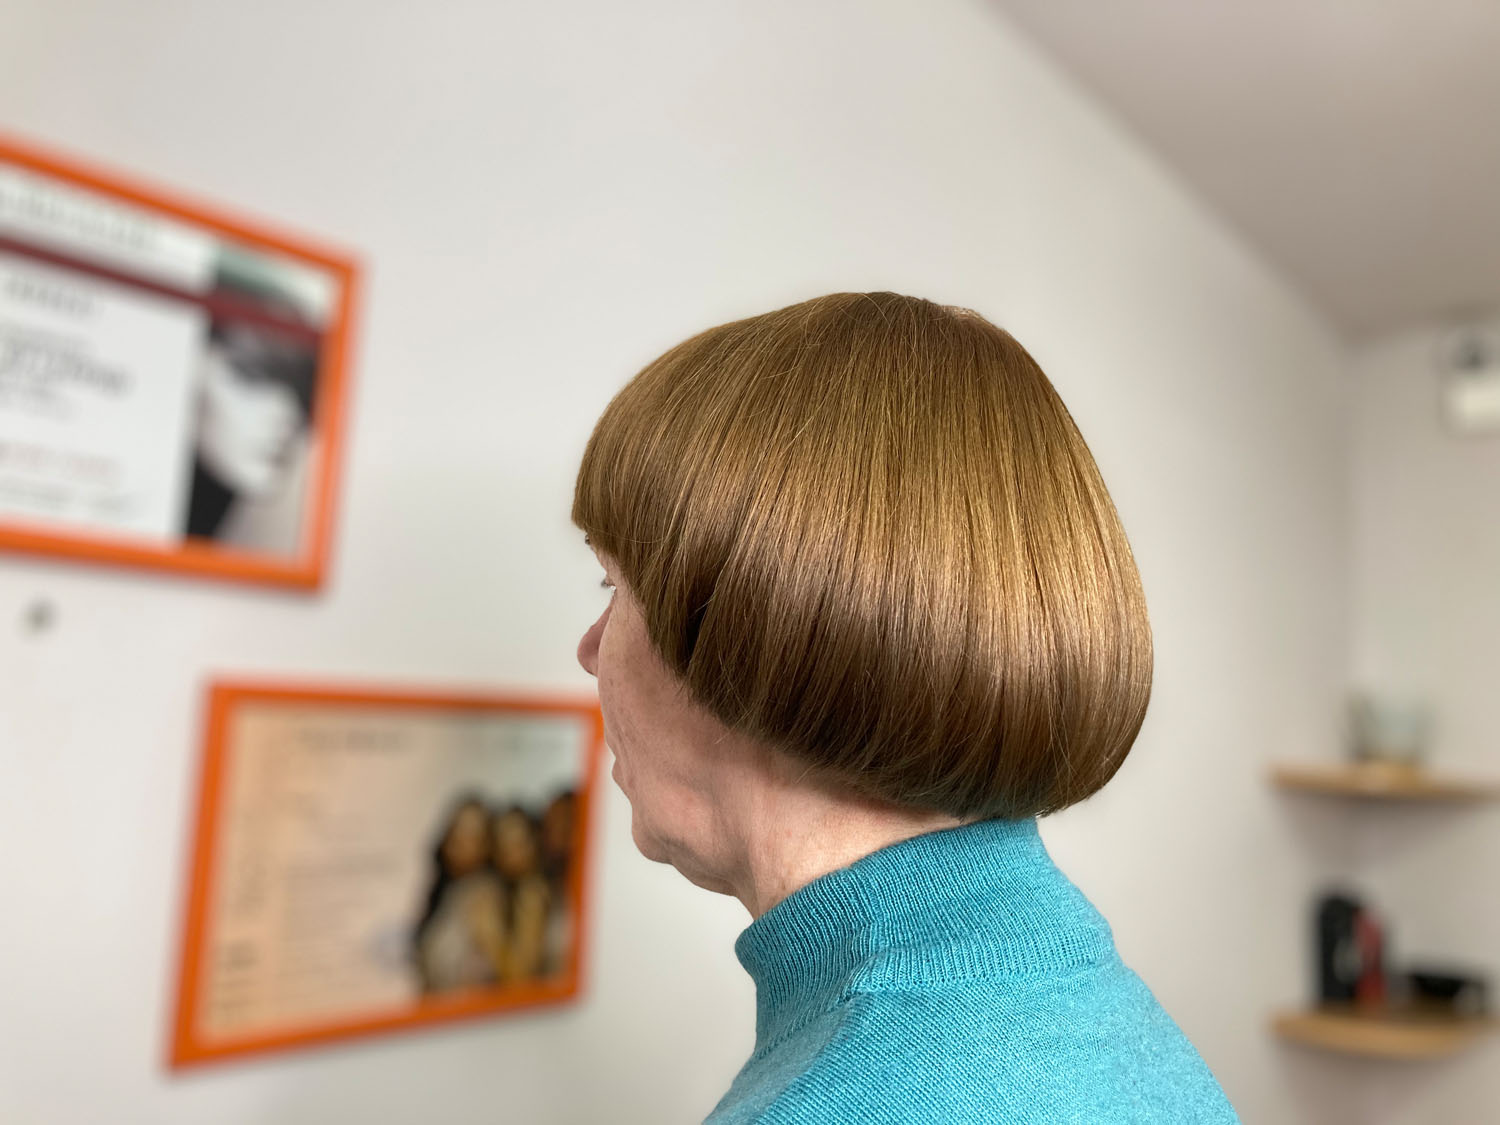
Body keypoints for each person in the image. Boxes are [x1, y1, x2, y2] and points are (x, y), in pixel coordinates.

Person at [571, 293, 1239, 1123]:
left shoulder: (828, 1104)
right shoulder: (1114, 1030)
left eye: (612, 584)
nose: (591, 649)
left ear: (756, 617)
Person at [412, 795, 506, 993]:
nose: (460, 843)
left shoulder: (486, 894)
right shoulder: (445, 890)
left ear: (488, 845)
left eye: (472, 837)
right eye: (457, 833)